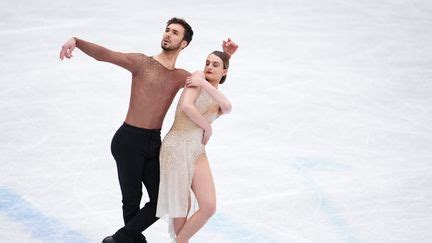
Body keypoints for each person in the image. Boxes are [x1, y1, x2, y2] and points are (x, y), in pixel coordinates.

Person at [59, 17, 238, 243]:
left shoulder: (180, 76)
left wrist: (226, 57)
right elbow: (106, 54)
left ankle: (121, 239)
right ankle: (123, 239)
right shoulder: (141, 62)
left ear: (183, 43)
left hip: (154, 143)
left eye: (174, 33)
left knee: (161, 201)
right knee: (131, 201)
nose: (167, 35)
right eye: (167, 30)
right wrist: (76, 41)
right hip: (128, 140)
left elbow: (211, 81)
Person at [156, 50, 235, 243]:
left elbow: (228, 107)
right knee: (181, 208)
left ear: (224, 72)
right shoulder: (197, 77)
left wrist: (206, 86)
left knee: (208, 206)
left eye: (215, 65)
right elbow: (187, 106)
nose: (209, 66)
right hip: (176, 145)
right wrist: (207, 126)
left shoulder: (212, 92)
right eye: (207, 62)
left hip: (196, 150)